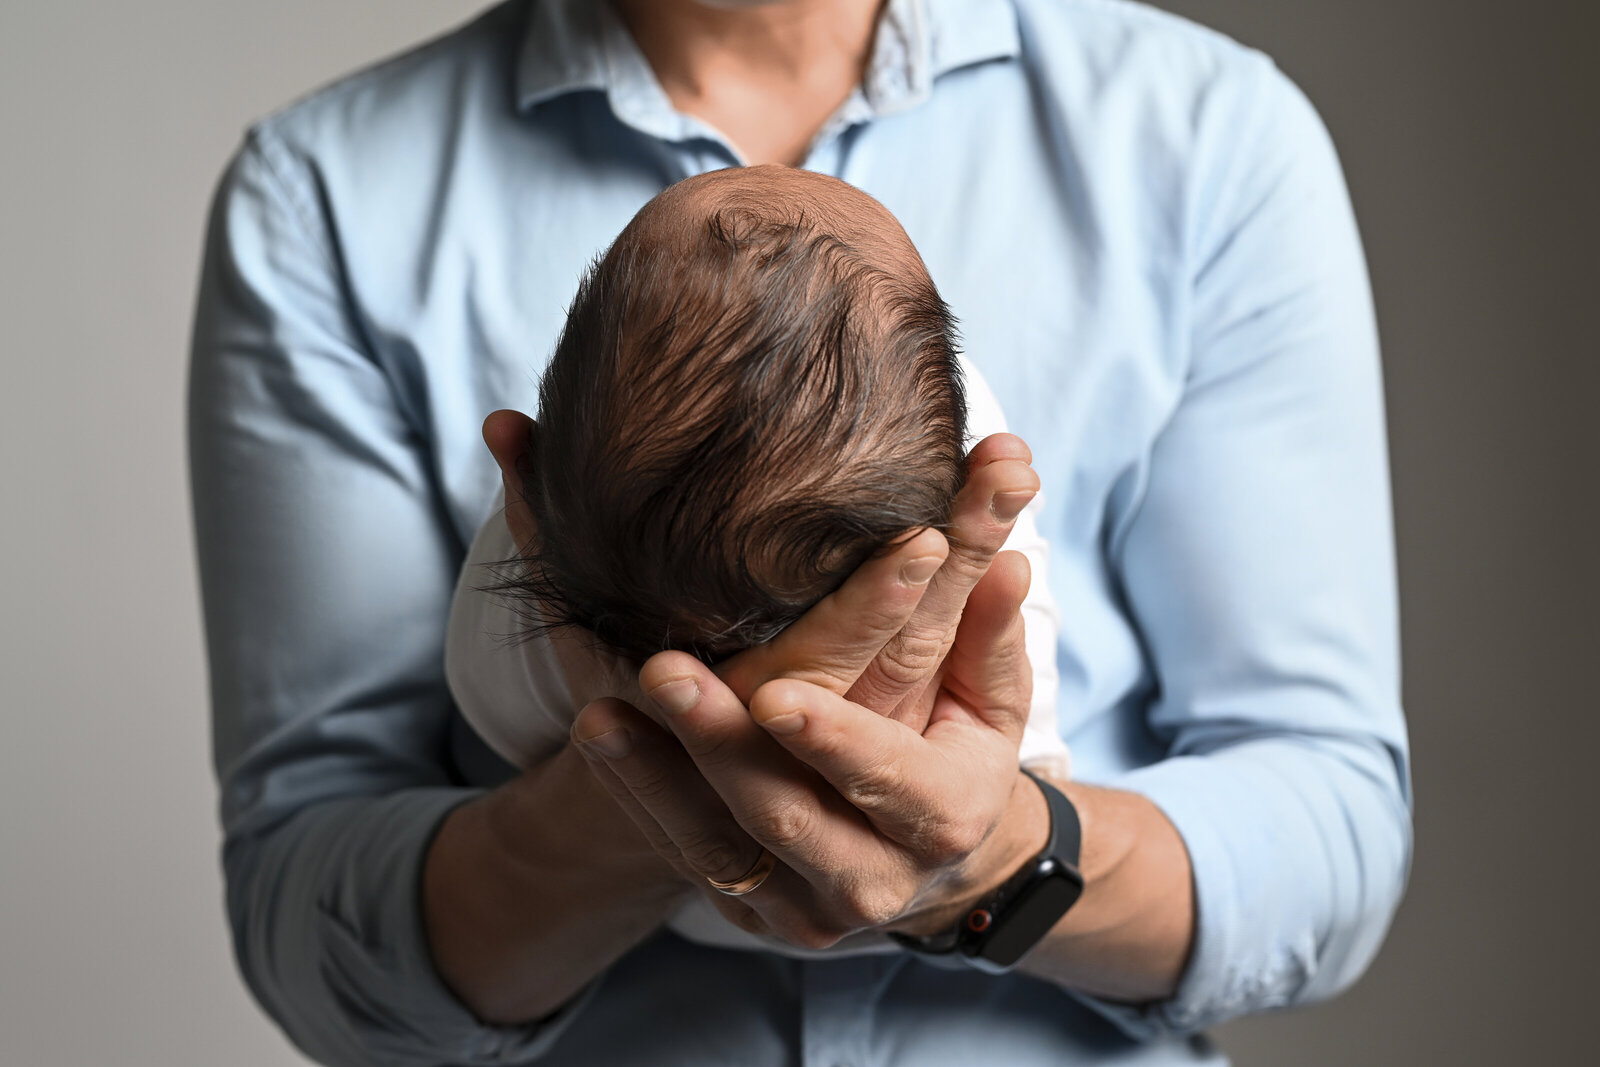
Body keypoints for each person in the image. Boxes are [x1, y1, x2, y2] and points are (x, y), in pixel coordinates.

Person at [188, 1, 1412, 1065]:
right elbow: (313, 918)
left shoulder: (1209, 135)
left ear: (522, 484)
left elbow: (1329, 834)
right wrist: (646, 793)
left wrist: (989, 858)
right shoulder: (325, 195)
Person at [444, 166, 1072, 955]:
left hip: (638, 914)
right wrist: (1023, 793)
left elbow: (493, 694)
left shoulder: (529, 562)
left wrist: (656, 731)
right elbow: (1012, 639)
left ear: (525, 470)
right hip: (928, 890)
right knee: (999, 604)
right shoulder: (964, 451)